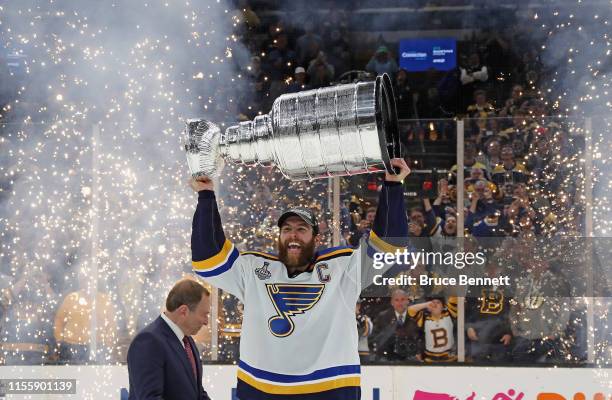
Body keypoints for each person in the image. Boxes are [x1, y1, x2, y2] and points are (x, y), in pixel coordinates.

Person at [190, 158, 410, 400]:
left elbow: (389, 246)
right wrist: (206, 195)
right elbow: (208, 259)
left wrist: (393, 185)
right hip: (263, 389)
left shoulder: (342, 269)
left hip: (330, 388)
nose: (293, 235)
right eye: (286, 229)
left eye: (301, 229)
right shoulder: (254, 269)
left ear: (315, 238)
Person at [127, 279, 211, 400]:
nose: (206, 322)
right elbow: (150, 398)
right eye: (204, 314)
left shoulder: (187, 340)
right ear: (183, 311)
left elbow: (197, 393)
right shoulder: (148, 341)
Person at [370, 289, 423, 362]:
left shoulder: (415, 317)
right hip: (387, 359)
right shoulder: (383, 317)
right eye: (396, 300)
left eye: (402, 299)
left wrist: (419, 353)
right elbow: (373, 338)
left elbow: (421, 337)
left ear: (407, 301)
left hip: (410, 358)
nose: (400, 303)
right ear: (392, 302)